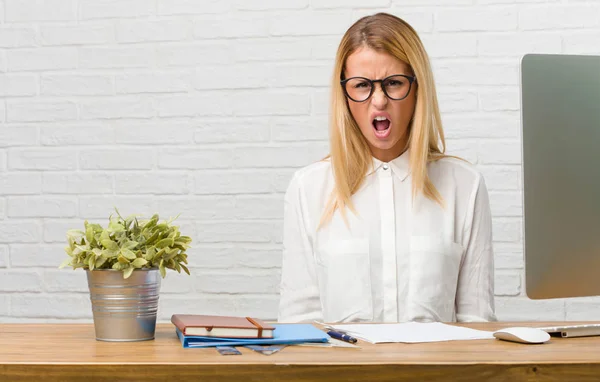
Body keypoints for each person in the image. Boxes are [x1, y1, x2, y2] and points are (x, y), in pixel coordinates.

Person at [277, 13, 496, 324]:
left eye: (394, 83)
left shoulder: (465, 185)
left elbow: (477, 321)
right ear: (345, 95)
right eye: (362, 85)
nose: (378, 100)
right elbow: (299, 322)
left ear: (417, 88)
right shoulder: (308, 188)